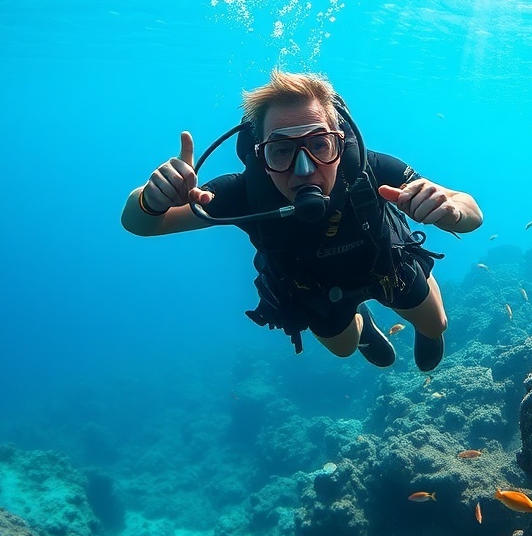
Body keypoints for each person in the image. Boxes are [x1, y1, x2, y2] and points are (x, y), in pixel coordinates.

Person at [121, 70, 483, 371]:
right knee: (343, 349)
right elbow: (142, 224)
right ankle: (364, 324)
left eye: (320, 143)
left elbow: (471, 211)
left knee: (437, 324)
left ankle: (421, 328)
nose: (304, 168)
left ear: (340, 140)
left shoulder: (372, 169)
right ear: (259, 154)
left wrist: (451, 211)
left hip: (386, 267)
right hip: (315, 291)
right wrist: (151, 199)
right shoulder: (243, 193)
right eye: (281, 150)